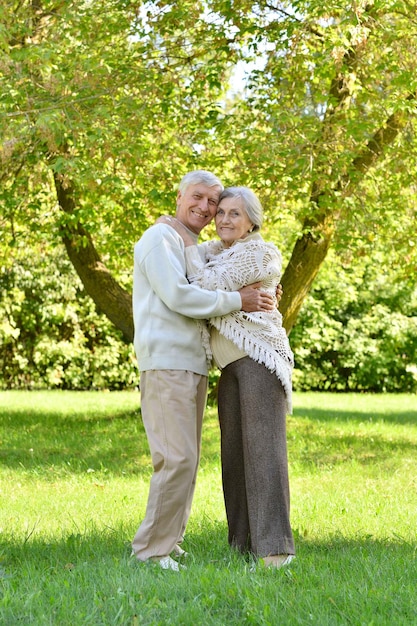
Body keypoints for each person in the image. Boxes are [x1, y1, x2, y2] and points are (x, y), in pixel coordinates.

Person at [131, 171, 276, 571]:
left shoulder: (187, 243)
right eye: (198, 197)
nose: (206, 208)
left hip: (192, 363)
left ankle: (169, 538)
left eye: (213, 203)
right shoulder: (158, 239)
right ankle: (150, 550)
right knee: (175, 458)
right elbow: (179, 296)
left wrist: (262, 288)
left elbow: (236, 264)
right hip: (167, 361)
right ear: (179, 197)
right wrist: (237, 300)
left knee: (187, 459)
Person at [165, 186, 295, 568]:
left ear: (252, 220)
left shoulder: (259, 252)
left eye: (234, 213)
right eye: (220, 212)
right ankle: (243, 546)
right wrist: (174, 226)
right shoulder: (220, 254)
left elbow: (201, 286)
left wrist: (181, 240)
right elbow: (200, 264)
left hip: (258, 361)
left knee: (264, 454)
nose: (223, 219)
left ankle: (275, 550)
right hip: (231, 368)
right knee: (235, 458)